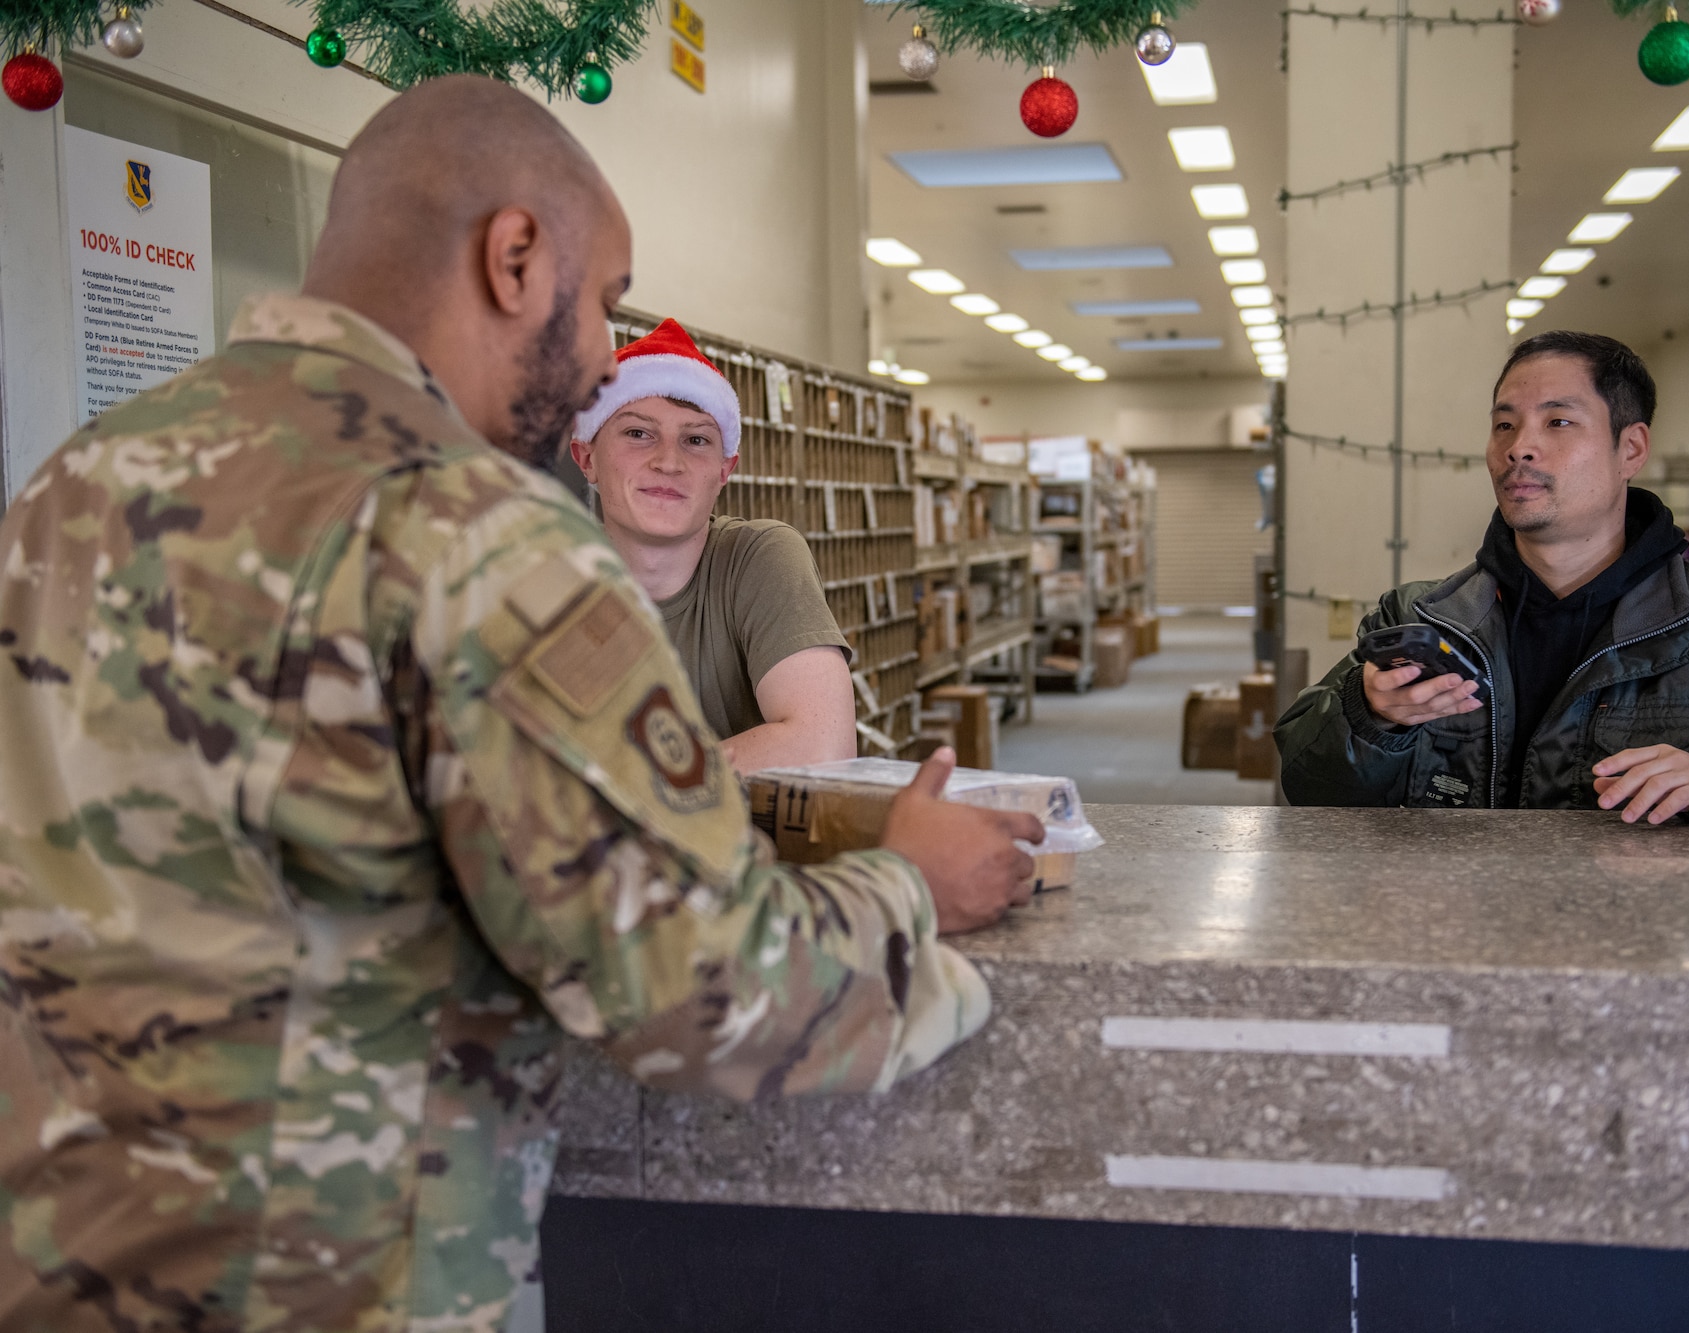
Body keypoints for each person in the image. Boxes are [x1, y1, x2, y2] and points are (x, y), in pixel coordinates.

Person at [0, 76, 1041, 1333]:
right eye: (604, 301)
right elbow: (705, 991)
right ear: (513, 257)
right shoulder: (476, 532)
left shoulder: (74, 484)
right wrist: (911, 882)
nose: (607, 352)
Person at [1275, 330, 1689, 826]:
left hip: (1644, 971)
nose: (1519, 446)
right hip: (1459, 962)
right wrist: (1370, 719)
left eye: (1558, 421)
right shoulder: (1424, 617)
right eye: (1504, 424)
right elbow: (1302, 783)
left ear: (1630, 448)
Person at [569, 321, 855, 772]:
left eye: (696, 440)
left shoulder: (760, 557)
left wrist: (626, 786)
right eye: (638, 433)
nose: (668, 461)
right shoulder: (553, 581)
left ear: (724, 471)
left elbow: (824, 744)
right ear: (586, 458)